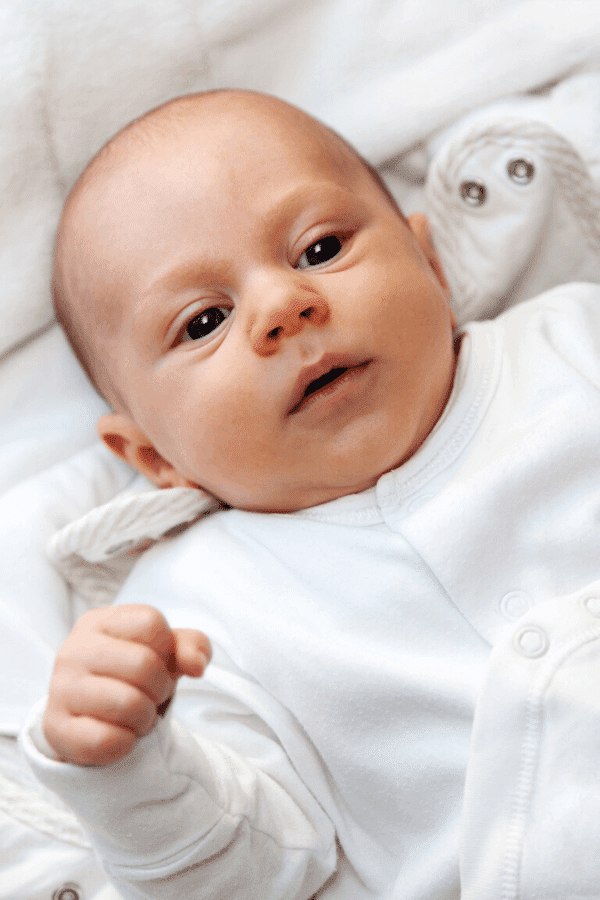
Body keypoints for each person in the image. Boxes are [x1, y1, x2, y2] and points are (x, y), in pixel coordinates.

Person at [20, 89, 600, 900]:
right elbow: (250, 874)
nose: (285, 308)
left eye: (320, 248)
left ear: (432, 266)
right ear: (151, 455)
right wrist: (131, 774)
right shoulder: (196, 617)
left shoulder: (571, 344)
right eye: (202, 322)